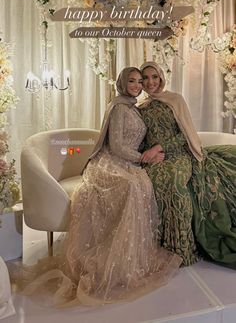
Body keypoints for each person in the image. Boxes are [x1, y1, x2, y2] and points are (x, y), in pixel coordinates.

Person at [15, 67, 181, 306]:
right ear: (123, 83)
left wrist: (155, 153)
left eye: (139, 81)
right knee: (132, 186)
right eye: (131, 81)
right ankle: (111, 260)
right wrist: (143, 157)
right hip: (111, 162)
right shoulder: (117, 108)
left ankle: (129, 259)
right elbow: (115, 147)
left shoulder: (134, 107)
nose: (136, 85)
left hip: (130, 161)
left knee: (141, 184)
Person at [138, 61, 236, 268]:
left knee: (175, 183)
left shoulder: (175, 99)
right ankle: (162, 245)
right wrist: (151, 154)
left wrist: (159, 147)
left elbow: (185, 134)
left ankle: (182, 248)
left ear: (161, 78)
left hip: (180, 154)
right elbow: (141, 140)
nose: (150, 82)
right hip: (157, 160)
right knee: (154, 182)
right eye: (145, 78)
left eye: (154, 77)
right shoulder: (141, 108)